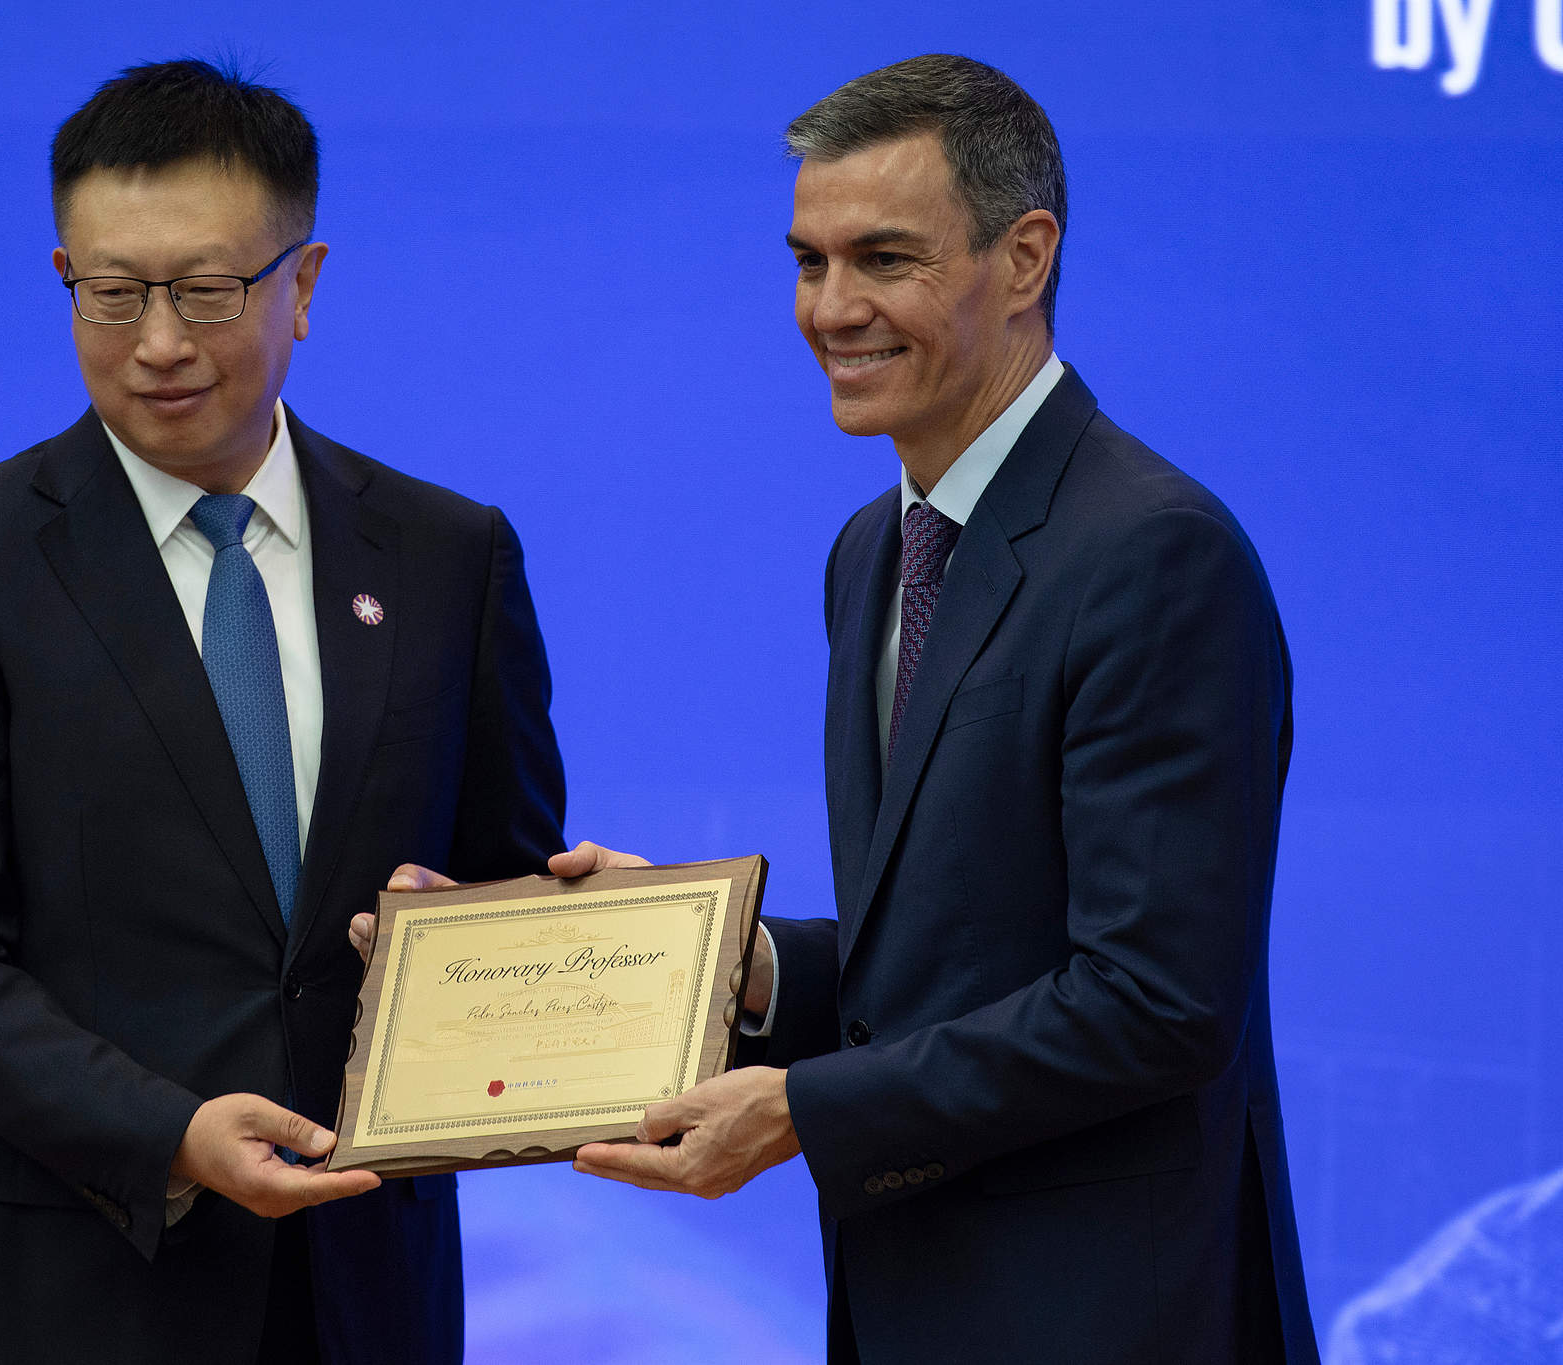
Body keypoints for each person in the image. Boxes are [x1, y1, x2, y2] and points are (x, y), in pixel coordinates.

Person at [555, 54, 1318, 1362]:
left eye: (884, 260)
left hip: (1102, 1320)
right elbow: (963, 947)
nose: (831, 308)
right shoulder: (873, 549)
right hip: (916, 1305)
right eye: (809, 261)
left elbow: (1153, 998)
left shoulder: (1155, 551)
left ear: (1025, 259)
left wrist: (804, 1108)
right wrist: (736, 962)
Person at [0, 60, 565, 1364]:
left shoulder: (450, 556)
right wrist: (166, 1131)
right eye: (110, 294)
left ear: (306, 281)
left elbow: (499, 880)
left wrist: (488, 949)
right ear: (65, 270)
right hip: (69, 1283)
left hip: (366, 1286)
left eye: (208, 291)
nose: (158, 341)